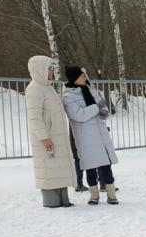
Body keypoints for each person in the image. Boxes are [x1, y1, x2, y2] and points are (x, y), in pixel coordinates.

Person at [62, 66, 119, 205]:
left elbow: (102, 105)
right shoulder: (68, 97)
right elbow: (78, 115)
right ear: (74, 79)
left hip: (100, 133)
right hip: (86, 136)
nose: (84, 78)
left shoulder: (92, 90)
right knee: (90, 167)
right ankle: (94, 195)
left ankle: (111, 194)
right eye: (81, 76)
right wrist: (96, 108)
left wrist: (103, 111)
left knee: (106, 166)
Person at [24, 56, 74, 208]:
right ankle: (52, 201)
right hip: (47, 138)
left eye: (52, 69)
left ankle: (63, 199)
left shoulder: (47, 87)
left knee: (58, 168)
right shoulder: (34, 89)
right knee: (49, 169)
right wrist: (44, 137)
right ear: (39, 69)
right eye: (49, 69)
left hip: (57, 136)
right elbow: (34, 117)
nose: (51, 72)